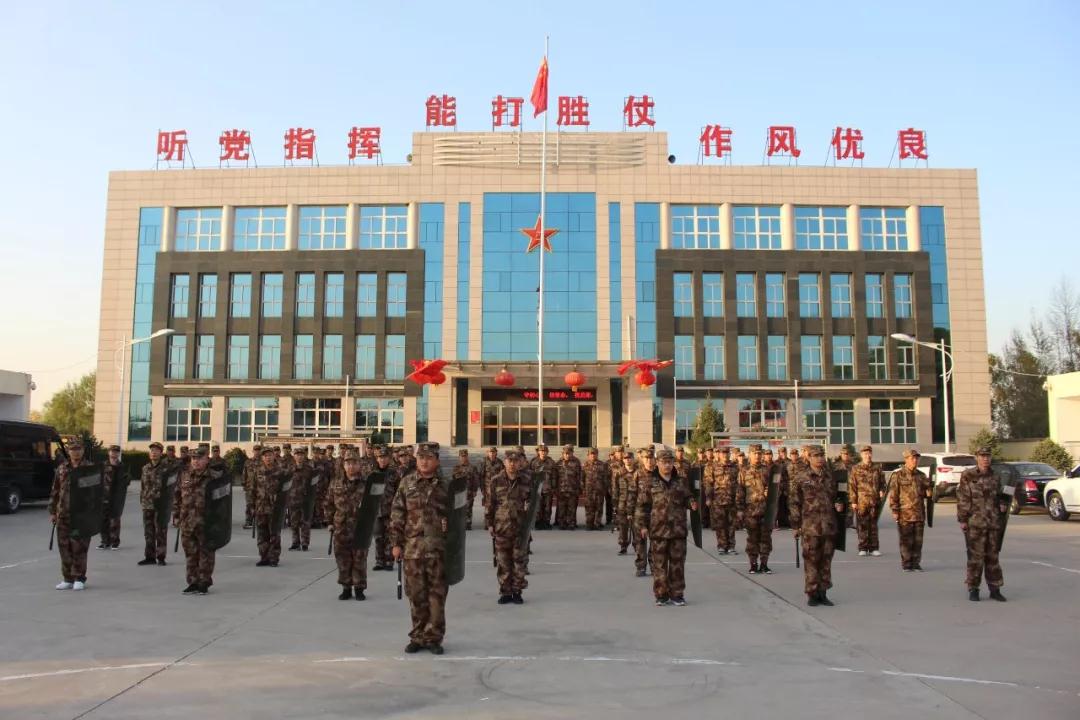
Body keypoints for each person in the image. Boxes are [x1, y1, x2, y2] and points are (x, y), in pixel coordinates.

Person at [390, 444, 450, 654]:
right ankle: (417, 636)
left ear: (437, 461)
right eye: (421, 457)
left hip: (438, 550)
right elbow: (397, 513)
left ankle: (433, 638)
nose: (424, 461)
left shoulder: (446, 485)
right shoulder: (407, 483)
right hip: (412, 549)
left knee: (437, 597)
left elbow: (457, 516)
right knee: (416, 595)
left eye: (429, 457)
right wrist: (396, 543)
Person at [636, 448, 697, 606]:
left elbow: (688, 496)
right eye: (664, 462)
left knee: (677, 565)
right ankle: (661, 594)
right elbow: (642, 506)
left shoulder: (681, 481)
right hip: (658, 531)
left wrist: (691, 502)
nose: (667, 465)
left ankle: (677, 594)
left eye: (670, 462)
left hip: (678, 530)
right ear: (657, 463)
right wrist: (642, 526)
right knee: (659, 565)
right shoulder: (650, 482)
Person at [790, 445, 843, 607]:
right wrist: (795, 525)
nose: (820, 458)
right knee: (811, 561)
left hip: (828, 525)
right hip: (810, 526)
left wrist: (839, 504)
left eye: (822, 455)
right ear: (809, 458)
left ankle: (823, 592)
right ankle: (812, 593)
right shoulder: (801, 477)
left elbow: (838, 496)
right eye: (816, 455)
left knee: (826, 560)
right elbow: (794, 502)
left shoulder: (830, 476)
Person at [957, 447, 1008, 602]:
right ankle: (973, 588)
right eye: (982, 456)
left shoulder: (996, 476)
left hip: (993, 523)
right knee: (975, 558)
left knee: (993, 558)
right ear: (977, 458)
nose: (985, 459)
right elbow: (963, 498)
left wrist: (1003, 504)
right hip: (975, 523)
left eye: (988, 456)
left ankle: (995, 589)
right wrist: (963, 519)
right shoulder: (968, 475)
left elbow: (1001, 495)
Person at [486, 449, 532, 604]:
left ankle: (517, 592)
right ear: (504, 462)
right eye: (509, 461)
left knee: (519, 562)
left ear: (520, 463)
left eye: (515, 461)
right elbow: (490, 504)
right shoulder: (496, 480)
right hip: (501, 528)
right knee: (503, 562)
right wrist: (489, 524)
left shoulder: (526, 480)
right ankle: (505, 592)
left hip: (520, 528)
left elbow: (533, 502)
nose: (512, 464)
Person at [49, 439, 94, 590]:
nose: (75, 452)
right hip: (63, 514)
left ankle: (79, 577)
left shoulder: (90, 468)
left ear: (83, 450)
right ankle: (67, 578)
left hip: (81, 516)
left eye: (78, 449)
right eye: (72, 449)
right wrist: (52, 511)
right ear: (68, 451)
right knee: (64, 547)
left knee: (79, 547)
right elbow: (55, 490)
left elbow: (96, 493)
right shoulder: (62, 468)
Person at [327, 449, 371, 600]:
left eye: (354, 463)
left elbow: (373, 505)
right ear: (344, 465)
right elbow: (328, 503)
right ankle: (346, 587)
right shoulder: (336, 483)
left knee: (359, 560)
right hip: (341, 527)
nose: (351, 466)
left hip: (360, 528)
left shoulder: (366, 483)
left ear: (359, 464)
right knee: (343, 559)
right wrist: (329, 522)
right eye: (348, 463)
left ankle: (359, 588)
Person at [173, 446, 216, 595]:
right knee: (190, 554)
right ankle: (193, 582)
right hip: (187, 521)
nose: (195, 461)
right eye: (193, 458)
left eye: (199, 458)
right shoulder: (184, 475)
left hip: (206, 522)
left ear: (207, 459)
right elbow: (177, 496)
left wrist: (218, 522)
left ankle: (204, 582)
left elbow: (222, 503)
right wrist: (176, 515)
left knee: (206, 554)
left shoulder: (214, 477)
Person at [889, 448, 932, 571]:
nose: (915, 460)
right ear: (906, 459)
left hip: (919, 513)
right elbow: (894, 494)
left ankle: (916, 563)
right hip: (905, 514)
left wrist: (929, 491)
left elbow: (927, 493)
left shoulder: (921, 476)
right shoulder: (898, 475)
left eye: (916, 458)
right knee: (906, 541)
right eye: (912, 458)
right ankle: (907, 563)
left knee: (918, 541)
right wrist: (895, 510)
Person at [737, 444, 773, 574]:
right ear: (750, 454)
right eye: (754, 453)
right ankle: (753, 564)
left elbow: (776, 489)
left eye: (759, 453)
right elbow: (740, 491)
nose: (757, 456)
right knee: (752, 538)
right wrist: (740, 509)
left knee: (766, 538)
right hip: (750, 511)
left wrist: (770, 493)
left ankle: (764, 564)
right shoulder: (744, 471)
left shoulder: (768, 470)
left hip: (766, 510)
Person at [138, 441, 171, 567]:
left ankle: (161, 557)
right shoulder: (145, 468)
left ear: (161, 453)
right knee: (148, 532)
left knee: (161, 531)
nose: (154, 453)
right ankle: (149, 557)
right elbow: (143, 486)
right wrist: (142, 500)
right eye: (152, 450)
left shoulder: (166, 468)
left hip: (160, 505)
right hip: (147, 504)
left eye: (157, 450)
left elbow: (170, 487)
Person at [850, 445, 885, 557]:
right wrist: (853, 501)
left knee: (873, 525)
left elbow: (883, 482)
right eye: (865, 453)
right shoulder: (856, 468)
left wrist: (882, 490)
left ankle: (874, 548)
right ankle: (863, 548)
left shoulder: (877, 467)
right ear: (861, 455)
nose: (868, 455)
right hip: (862, 501)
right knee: (862, 526)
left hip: (874, 501)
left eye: (869, 453)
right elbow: (852, 486)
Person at [253, 447, 285, 567]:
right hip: (261, 508)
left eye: (270, 455)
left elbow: (285, 490)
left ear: (274, 456)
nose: (268, 457)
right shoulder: (258, 471)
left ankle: (274, 558)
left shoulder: (280, 471)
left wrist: (283, 505)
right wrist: (251, 506)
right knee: (262, 534)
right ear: (262, 458)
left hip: (275, 508)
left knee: (274, 534)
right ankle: (264, 557)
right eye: (265, 456)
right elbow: (252, 489)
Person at [629, 448, 656, 577]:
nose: (649, 461)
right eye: (646, 458)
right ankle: (641, 567)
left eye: (651, 458)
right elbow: (632, 494)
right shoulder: (637, 474)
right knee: (640, 542)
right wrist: (629, 512)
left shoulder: (659, 474)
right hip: (640, 513)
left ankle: (654, 566)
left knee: (656, 542)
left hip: (657, 513)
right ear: (642, 460)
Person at [706, 447, 738, 554]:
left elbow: (739, 483)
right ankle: (722, 546)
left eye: (727, 453)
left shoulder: (735, 467)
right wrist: (708, 498)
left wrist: (739, 499)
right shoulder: (712, 467)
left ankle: (731, 546)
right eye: (723, 453)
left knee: (731, 524)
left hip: (732, 500)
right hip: (718, 500)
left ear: (729, 454)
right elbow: (708, 483)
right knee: (720, 524)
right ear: (719, 454)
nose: (725, 455)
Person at [372, 447, 399, 570]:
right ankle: (379, 561)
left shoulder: (394, 474)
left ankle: (389, 561)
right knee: (378, 537)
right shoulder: (372, 474)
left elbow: (399, 492)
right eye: (380, 457)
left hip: (390, 510)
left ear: (389, 459)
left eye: (384, 457)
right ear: (377, 459)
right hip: (376, 510)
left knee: (390, 537)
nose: (382, 460)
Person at [98, 444, 129, 550]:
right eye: (112, 451)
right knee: (103, 521)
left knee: (114, 520)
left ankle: (114, 542)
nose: (114, 453)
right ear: (108, 452)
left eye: (116, 452)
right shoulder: (102, 465)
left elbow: (126, 481)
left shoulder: (122, 466)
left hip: (116, 498)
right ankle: (105, 541)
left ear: (119, 454)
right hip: (103, 497)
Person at [288, 447, 313, 551]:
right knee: (294, 523)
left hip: (305, 500)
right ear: (294, 456)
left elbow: (313, 486)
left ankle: (305, 543)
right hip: (293, 500)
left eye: (301, 455)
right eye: (297, 455)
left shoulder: (309, 469)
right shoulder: (290, 469)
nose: (299, 456)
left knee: (305, 523)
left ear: (304, 456)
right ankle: (295, 543)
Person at [530, 445, 557, 529]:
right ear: (538, 452)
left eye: (545, 451)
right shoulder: (534, 462)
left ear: (547, 452)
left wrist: (554, 487)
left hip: (548, 488)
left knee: (547, 507)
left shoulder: (551, 462)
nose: (543, 453)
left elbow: (554, 476)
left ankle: (546, 522)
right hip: (537, 489)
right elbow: (531, 476)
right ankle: (538, 522)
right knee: (538, 507)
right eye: (541, 451)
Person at [613, 454, 636, 554]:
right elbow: (615, 489)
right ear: (623, 460)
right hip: (622, 503)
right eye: (625, 459)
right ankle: (623, 546)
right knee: (623, 526)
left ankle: (637, 546)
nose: (627, 460)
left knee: (636, 527)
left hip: (636, 503)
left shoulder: (638, 472)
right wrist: (615, 504)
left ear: (633, 459)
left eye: (629, 458)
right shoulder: (619, 472)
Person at [556, 445, 583, 530]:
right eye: (565, 453)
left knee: (572, 508)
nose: (567, 455)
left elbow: (580, 476)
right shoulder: (559, 463)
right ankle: (562, 523)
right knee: (562, 508)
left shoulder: (576, 462)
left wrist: (579, 488)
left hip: (573, 489)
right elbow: (555, 476)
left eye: (569, 453)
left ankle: (571, 523)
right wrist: (555, 488)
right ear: (563, 453)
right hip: (561, 489)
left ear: (572, 453)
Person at [452, 449, 480, 531]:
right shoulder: (456, 468)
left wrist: (475, 490)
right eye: (462, 456)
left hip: (469, 491)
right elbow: (453, 479)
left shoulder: (472, 467)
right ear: (459, 457)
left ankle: (468, 524)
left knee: (468, 508)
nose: (463, 458)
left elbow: (476, 480)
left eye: (465, 456)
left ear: (467, 456)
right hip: (459, 492)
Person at [582, 447, 609, 530]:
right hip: (589, 490)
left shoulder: (602, 465)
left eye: (595, 454)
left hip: (599, 490)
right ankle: (589, 524)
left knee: (599, 508)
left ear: (597, 454)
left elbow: (605, 477)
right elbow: (582, 477)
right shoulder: (585, 465)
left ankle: (597, 523)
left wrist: (605, 489)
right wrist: (583, 488)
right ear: (588, 455)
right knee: (589, 507)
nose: (593, 455)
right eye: (591, 454)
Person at [481, 446, 504, 530]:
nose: (492, 454)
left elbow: (502, 475)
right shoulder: (484, 462)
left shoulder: (500, 462)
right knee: (488, 506)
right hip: (487, 488)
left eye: (493, 452)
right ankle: (487, 523)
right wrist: (482, 488)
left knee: (497, 505)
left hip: (497, 488)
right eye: (490, 452)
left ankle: (495, 522)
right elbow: (481, 476)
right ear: (487, 453)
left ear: (496, 453)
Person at [242, 445, 260, 530]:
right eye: (255, 450)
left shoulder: (263, 462)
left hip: (260, 487)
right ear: (253, 451)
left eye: (258, 450)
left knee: (260, 504)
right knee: (249, 504)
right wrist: (244, 484)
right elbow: (244, 473)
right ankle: (248, 521)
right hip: (250, 487)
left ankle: (259, 521)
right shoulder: (248, 462)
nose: (257, 452)